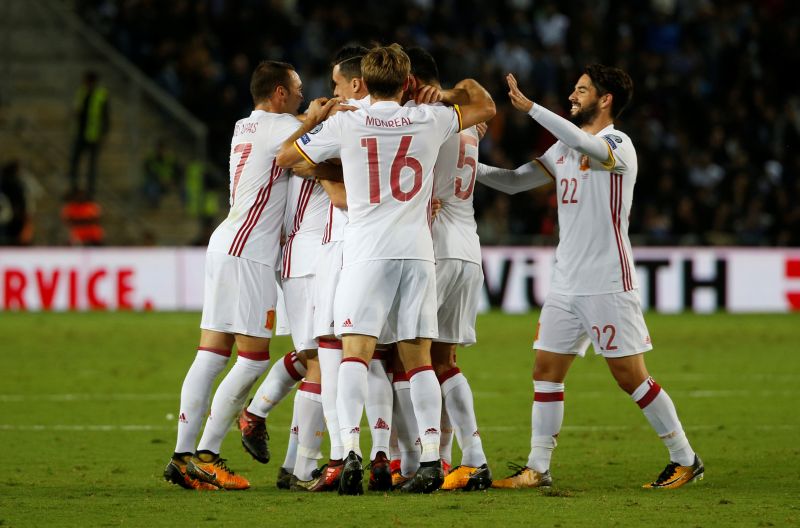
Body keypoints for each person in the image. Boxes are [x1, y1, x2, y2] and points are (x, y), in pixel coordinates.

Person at [276, 43, 495, 494]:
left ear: (365, 81)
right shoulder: (430, 118)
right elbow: (485, 104)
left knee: (356, 353)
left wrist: (322, 144)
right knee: (418, 360)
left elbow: (285, 158)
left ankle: (352, 453)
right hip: (416, 252)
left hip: (366, 250)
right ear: (407, 81)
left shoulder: (346, 121)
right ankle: (431, 461)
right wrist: (450, 91)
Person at [491, 65, 703, 490]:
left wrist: (532, 108)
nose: (572, 95)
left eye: (581, 90)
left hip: (607, 281)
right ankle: (538, 467)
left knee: (630, 376)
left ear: (604, 100)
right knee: (545, 369)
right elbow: (516, 183)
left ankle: (685, 458)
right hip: (566, 282)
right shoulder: (563, 148)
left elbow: (585, 143)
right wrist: (463, 169)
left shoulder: (617, 144)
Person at [163, 60, 304, 491]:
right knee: (254, 357)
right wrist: (325, 112)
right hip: (249, 253)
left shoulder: (246, 125)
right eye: (296, 89)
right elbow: (314, 138)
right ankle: (205, 454)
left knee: (212, 354)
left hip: (227, 242)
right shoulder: (280, 127)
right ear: (279, 93)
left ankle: (183, 457)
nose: (301, 95)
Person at [403, 46, 492, 491]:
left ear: (416, 83)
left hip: (432, 246)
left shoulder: (427, 120)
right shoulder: (470, 120)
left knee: (410, 357)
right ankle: (471, 458)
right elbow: (481, 98)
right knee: (446, 361)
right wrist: (455, 93)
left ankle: (419, 459)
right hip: (468, 247)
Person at [68, 71, 109, 197]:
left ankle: (90, 191)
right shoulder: (82, 92)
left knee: (92, 165)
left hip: (94, 135)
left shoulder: (101, 95)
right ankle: (74, 187)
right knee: (74, 162)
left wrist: (103, 134)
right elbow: (77, 109)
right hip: (80, 133)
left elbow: (105, 116)